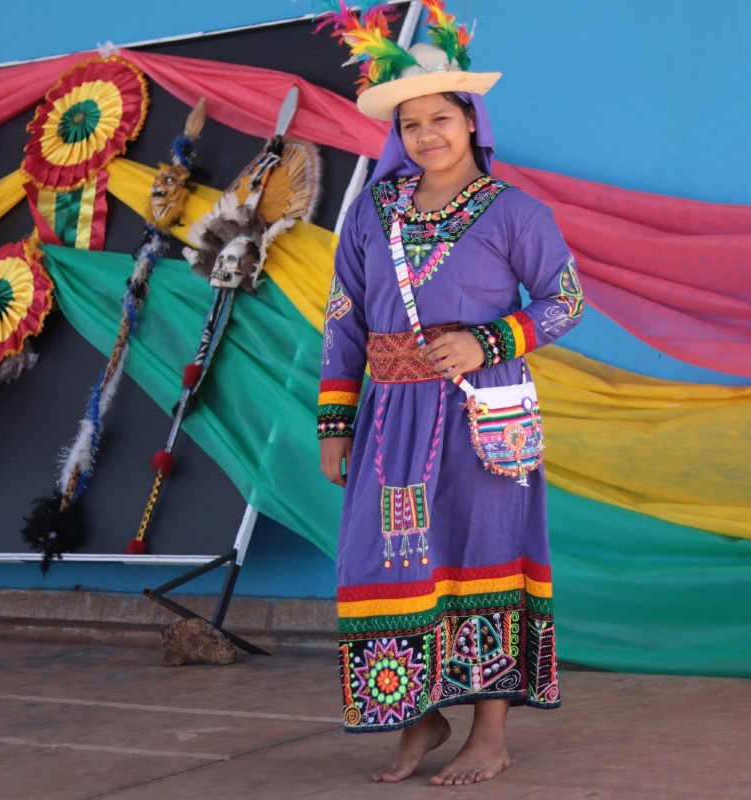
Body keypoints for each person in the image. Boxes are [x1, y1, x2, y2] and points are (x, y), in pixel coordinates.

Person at [317, 1, 585, 786]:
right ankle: (420, 715)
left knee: (485, 555)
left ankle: (488, 737)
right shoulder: (372, 214)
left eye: (442, 119)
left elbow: (565, 301)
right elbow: (344, 322)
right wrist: (335, 421)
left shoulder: (516, 214)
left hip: (482, 409)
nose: (426, 136)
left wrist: (489, 339)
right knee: (380, 555)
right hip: (392, 415)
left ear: (473, 123)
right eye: (410, 126)